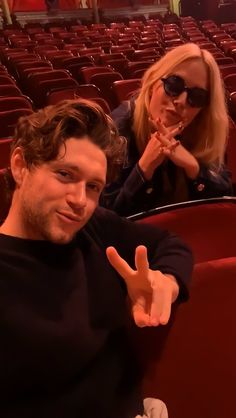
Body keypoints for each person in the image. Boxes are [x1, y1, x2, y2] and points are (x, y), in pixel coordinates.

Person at [0, 99, 193, 418]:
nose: (79, 200)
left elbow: (171, 244)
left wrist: (166, 282)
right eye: (64, 174)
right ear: (20, 165)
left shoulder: (94, 227)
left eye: (92, 187)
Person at [101, 43, 232, 216]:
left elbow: (224, 203)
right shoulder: (117, 129)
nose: (182, 101)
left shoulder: (202, 129)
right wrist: (144, 168)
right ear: (153, 82)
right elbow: (106, 219)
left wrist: (194, 168)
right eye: (174, 85)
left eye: (197, 96)